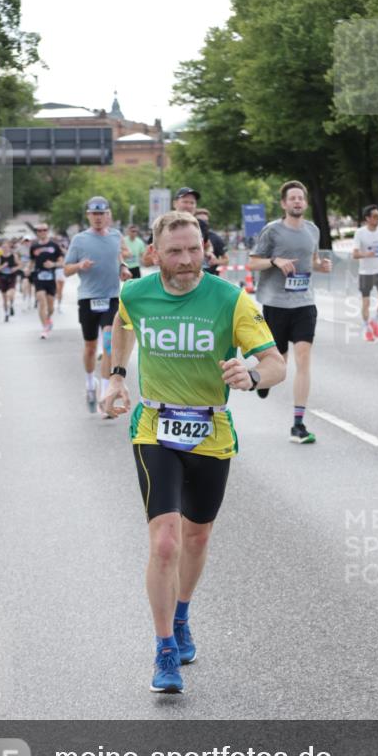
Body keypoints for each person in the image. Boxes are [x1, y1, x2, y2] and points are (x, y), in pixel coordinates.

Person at [102, 211, 285, 693]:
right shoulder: (136, 293)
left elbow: (276, 363)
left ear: (205, 248)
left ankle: (181, 614)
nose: (186, 261)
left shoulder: (230, 299)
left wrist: (252, 374)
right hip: (154, 426)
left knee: (197, 537)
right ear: (155, 254)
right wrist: (117, 376)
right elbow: (122, 325)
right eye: (176, 252)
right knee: (165, 540)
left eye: (194, 250)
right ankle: (164, 649)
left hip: (211, 428)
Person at [247, 180, 332, 443]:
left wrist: (321, 266)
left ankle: (298, 424)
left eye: (301, 198)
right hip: (276, 304)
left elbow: (312, 261)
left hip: (304, 304)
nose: (297, 202)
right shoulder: (272, 231)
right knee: (279, 361)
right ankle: (264, 380)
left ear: (305, 203)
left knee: (303, 358)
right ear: (284, 203)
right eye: (292, 198)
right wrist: (274, 260)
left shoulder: (313, 230)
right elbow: (252, 263)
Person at [64, 196, 132, 412]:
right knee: (91, 347)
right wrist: (79, 265)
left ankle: (105, 394)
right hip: (88, 298)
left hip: (111, 296)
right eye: (94, 214)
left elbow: (119, 256)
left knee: (109, 343)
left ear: (108, 215)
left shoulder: (115, 236)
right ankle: (89, 382)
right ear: (88, 216)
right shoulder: (79, 240)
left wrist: (123, 268)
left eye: (102, 214)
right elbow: (66, 270)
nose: (98, 218)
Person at [352, 205, 378, 341]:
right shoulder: (360, 233)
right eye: (375, 216)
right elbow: (355, 254)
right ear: (367, 218)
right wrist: (367, 254)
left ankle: (374, 321)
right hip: (365, 273)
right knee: (366, 303)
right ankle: (366, 328)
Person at [29, 223, 64, 339]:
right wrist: (27, 270)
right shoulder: (33, 247)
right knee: (41, 302)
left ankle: (48, 319)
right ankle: (44, 328)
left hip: (51, 278)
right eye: (39, 230)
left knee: (50, 307)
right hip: (38, 277)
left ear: (47, 231)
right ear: (37, 232)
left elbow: (62, 262)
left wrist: (53, 264)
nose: (42, 232)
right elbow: (32, 262)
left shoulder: (54, 245)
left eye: (44, 230)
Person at [195, 208, 229, 276]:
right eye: (200, 221)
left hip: (209, 276)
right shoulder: (186, 237)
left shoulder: (215, 238)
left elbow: (226, 260)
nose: (203, 223)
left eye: (206, 221)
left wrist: (215, 261)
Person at [0, 240, 19, 322]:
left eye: (6, 247)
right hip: (2, 278)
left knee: (10, 294)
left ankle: (11, 304)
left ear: (9, 248)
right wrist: (2, 266)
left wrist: (15, 268)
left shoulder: (14, 256)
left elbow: (20, 265)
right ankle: (6, 313)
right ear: (1, 249)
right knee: (4, 298)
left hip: (12, 277)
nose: (5, 249)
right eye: (3, 247)